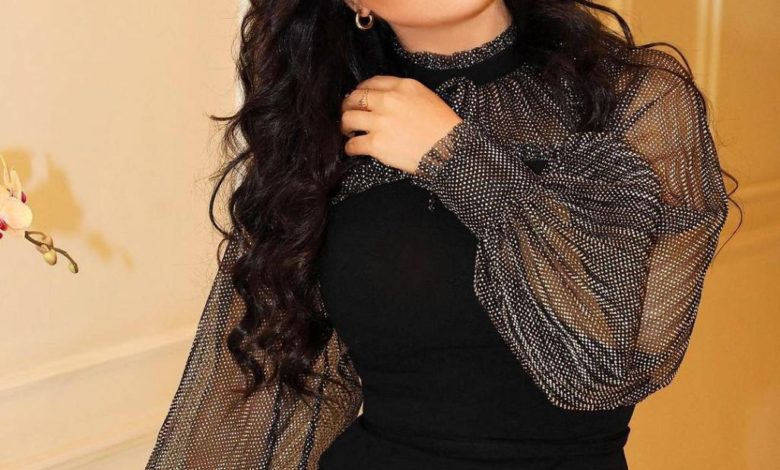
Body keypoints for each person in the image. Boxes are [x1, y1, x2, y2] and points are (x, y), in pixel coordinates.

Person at [145, 1, 736, 468]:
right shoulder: (322, 134)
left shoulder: (635, 99)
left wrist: (453, 157)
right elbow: (250, 393)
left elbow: (606, 369)